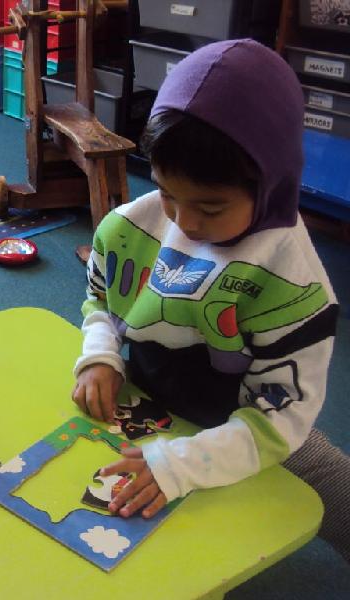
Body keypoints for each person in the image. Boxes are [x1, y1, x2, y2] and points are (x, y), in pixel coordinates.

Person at [71, 38, 349, 561]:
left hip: (250, 420)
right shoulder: (133, 226)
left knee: (336, 493)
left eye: (211, 207)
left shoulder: (293, 283)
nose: (185, 222)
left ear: (269, 184)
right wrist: (102, 355)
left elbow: (278, 422)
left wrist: (181, 465)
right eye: (167, 193)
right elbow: (100, 300)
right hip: (154, 400)